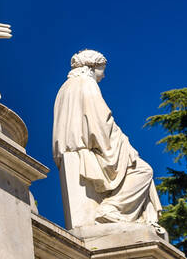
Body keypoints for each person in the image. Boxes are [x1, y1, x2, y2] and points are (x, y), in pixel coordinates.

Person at [52, 50, 163, 230]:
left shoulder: (65, 88)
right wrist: (124, 143)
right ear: (91, 67)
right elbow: (100, 121)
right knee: (143, 170)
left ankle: (115, 210)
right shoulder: (86, 83)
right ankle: (112, 209)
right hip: (91, 149)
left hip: (77, 148)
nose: (103, 75)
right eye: (102, 69)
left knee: (141, 170)